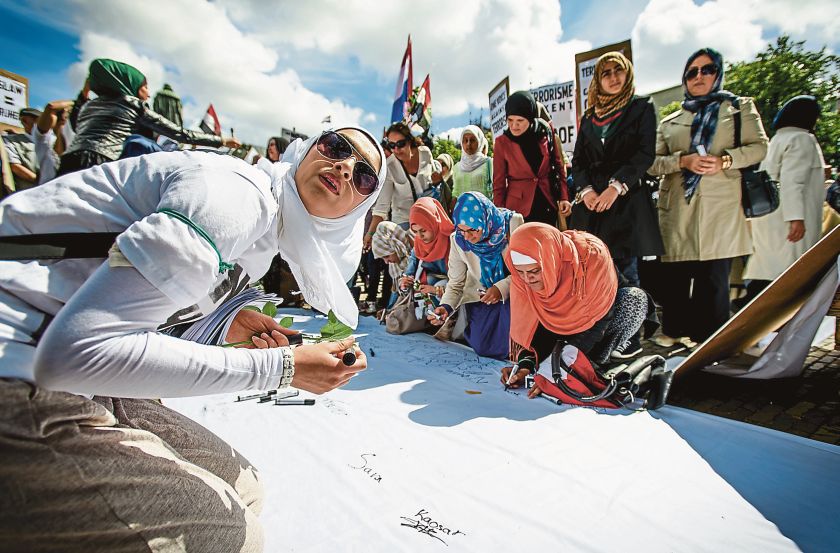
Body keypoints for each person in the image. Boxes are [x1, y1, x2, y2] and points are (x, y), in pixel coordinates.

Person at [0, 125, 385, 551]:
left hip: (62, 364)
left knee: (246, 486)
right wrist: (284, 368)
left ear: (357, 210)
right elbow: (76, 352)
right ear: (308, 150)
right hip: (19, 363)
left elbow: (150, 313)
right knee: (232, 537)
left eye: (365, 175)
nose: (346, 166)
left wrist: (228, 323)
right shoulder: (235, 198)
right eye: (336, 146)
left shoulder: (264, 232)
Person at [649, 48, 768, 346]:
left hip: (720, 208)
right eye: (692, 72)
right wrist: (682, 161)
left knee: (713, 280)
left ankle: (710, 343)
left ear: (718, 73)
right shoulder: (670, 121)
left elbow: (760, 147)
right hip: (677, 208)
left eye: (707, 69)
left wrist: (725, 160)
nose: (699, 77)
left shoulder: (739, 109)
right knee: (675, 277)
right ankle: (674, 333)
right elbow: (651, 162)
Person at [569, 51, 664, 358]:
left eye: (617, 71)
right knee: (595, 272)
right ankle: (600, 336)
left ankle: (628, 340)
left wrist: (615, 187)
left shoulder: (641, 108)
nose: (612, 77)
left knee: (627, 273)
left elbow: (644, 154)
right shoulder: (590, 116)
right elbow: (579, 160)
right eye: (606, 72)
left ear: (627, 74)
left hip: (625, 204)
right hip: (593, 208)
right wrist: (586, 191)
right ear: (597, 79)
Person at [499, 224, 649, 397]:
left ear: (551, 260)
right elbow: (530, 324)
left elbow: (597, 321)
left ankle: (594, 362)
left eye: (534, 271)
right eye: (520, 272)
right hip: (558, 333)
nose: (527, 279)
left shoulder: (591, 260)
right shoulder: (524, 279)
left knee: (634, 300)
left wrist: (553, 373)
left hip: (600, 322)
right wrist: (526, 364)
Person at [59, 58, 239, 175]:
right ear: (130, 85)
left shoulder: (91, 104)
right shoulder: (133, 104)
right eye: (145, 87)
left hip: (68, 160)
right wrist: (221, 141)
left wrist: (84, 92)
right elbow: (180, 133)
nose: (148, 93)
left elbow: (75, 126)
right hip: (100, 162)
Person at [742, 95, 827, 298]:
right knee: (790, 273)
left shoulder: (777, 140)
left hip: (770, 215)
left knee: (767, 268)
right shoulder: (802, 139)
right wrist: (796, 217)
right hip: (788, 217)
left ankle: (751, 303)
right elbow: (793, 180)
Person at [428, 192, 523, 359]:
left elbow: (525, 272)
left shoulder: (512, 224)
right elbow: (456, 282)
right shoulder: (458, 240)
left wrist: (500, 289)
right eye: (461, 230)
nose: (467, 236)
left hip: (516, 293)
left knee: (512, 348)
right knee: (483, 346)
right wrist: (446, 307)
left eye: (473, 230)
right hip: (483, 297)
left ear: (485, 221)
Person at [492, 91, 571, 225]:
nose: (514, 126)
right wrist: (501, 215)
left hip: (547, 203)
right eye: (510, 120)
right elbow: (498, 183)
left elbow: (558, 167)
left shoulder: (546, 133)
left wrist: (564, 197)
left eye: (520, 121)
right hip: (518, 211)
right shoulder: (501, 143)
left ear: (530, 117)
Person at [364, 122, 434, 249]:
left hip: (428, 218)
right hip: (404, 221)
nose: (396, 149)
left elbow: (434, 181)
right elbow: (381, 208)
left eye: (400, 144)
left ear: (410, 140)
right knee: (411, 260)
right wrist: (370, 233)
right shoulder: (389, 166)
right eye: (392, 145)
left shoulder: (425, 153)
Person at [399, 197, 454, 304]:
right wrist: (404, 283)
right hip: (426, 303)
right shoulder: (419, 244)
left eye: (423, 230)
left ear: (433, 223)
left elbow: (463, 280)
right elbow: (410, 272)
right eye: (415, 231)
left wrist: (438, 290)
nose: (420, 236)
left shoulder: (453, 241)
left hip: (451, 299)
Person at [371, 221, 414, 310]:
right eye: (383, 258)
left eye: (387, 256)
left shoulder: (416, 254)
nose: (386, 262)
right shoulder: (395, 266)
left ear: (397, 246)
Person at [32, 100, 74, 184]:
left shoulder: (74, 142)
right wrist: (75, 102)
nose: (65, 114)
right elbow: (51, 107)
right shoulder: (43, 140)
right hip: (46, 194)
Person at [2, 107, 41, 194]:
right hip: (29, 194)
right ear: (24, 121)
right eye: (36, 120)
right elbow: (15, 166)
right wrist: (42, 182)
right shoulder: (11, 141)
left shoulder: (52, 141)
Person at [451, 125, 492, 199]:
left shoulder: (489, 163)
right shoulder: (457, 167)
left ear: (480, 141)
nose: (468, 144)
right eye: (465, 140)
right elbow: (455, 192)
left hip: (483, 209)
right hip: (462, 209)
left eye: (472, 140)